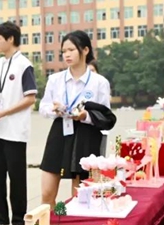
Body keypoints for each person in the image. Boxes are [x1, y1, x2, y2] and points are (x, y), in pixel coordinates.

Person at [39, 30, 113, 207]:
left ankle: (76, 223)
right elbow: (43, 107)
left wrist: (85, 116)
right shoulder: (55, 79)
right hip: (60, 131)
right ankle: (49, 222)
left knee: (80, 194)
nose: (67, 55)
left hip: (86, 136)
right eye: (64, 51)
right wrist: (54, 110)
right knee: (47, 193)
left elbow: (105, 116)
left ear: (85, 50)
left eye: (71, 50)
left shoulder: (99, 82)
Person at [0, 21, 37, 225]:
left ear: (11, 39)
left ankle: (18, 220)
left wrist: (2, 113)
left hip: (15, 131)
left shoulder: (24, 65)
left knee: (16, 177)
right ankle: (0, 220)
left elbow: (30, 98)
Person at [87, 59, 109, 156]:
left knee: (98, 158)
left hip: (99, 128)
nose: (90, 74)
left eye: (92, 70)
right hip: (82, 131)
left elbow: (105, 109)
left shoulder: (102, 84)